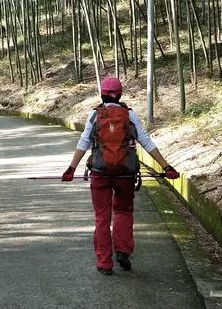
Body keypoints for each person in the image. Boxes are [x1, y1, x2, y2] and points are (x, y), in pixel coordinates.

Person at [62, 77, 179, 276]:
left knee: (102, 217)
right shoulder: (129, 115)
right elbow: (146, 142)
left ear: (102, 94)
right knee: (123, 211)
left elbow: (83, 142)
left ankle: (104, 263)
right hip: (125, 173)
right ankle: (123, 251)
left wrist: (71, 169)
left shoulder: (94, 115)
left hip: (100, 173)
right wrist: (166, 166)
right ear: (121, 94)